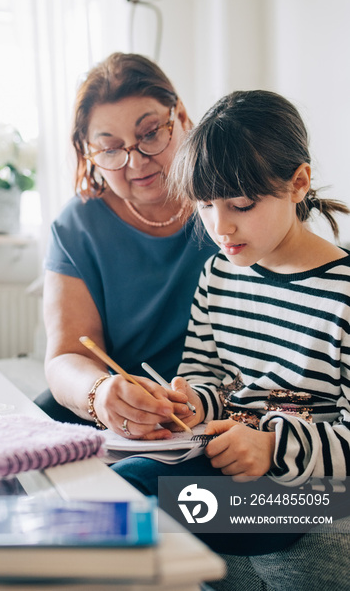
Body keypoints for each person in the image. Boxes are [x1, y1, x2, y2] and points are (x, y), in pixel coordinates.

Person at [112, 90, 350, 590]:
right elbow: (209, 379)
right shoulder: (218, 274)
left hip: (312, 491)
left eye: (241, 204)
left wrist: (270, 447)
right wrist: (188, 403)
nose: (220, 227)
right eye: (204, 206)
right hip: (222, 463)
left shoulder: (343, 294)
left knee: (139, 501)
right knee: (114, 480)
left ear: (298, 183)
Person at [35, 52, 215, 436]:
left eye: (150, 133)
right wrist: (99, 393)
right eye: (112, 149)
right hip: (106, 415)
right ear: (90, 155)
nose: (136, 163)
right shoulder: (77, 226)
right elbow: (67, 355)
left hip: (213, 408)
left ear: (180, 116)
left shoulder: (234, 202)